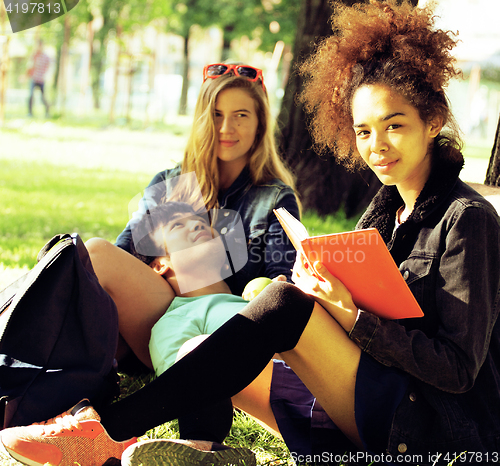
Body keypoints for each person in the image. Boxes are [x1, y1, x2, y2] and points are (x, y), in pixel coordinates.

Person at [3, 1, 500, 465]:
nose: (376, 146)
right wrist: (325, 294)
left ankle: (107, 430)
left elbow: (457, 369)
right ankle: (206, 451)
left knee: (275, 299)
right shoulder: (382, 211)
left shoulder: (466, 218)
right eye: (364, 131)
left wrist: (346, 313)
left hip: (424, 426)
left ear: (433, 120)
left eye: (394, 126)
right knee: (220, 339)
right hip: (360, 392)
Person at [85, 62, 299, 370]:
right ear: (202, 119)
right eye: (216, 115)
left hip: (229, 322)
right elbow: (126, 255)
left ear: (260, 124)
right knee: (95, 255)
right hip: (159, 315)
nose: (227, 128)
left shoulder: (274, 198)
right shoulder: (169, 182)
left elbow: (284, 284)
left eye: (241, 115)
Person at [27, 40, 50, 117]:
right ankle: (30, 113)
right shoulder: (34, 55)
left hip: (41, 79)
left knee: (43, 97)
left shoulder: (46, 57)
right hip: (34, 78)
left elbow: (49, 67)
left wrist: (46, 75)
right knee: (31, 95)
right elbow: (30, 66)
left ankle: (47, 112)